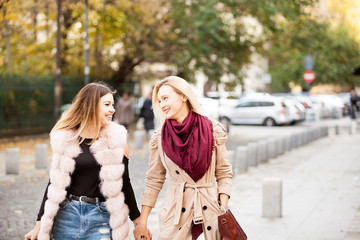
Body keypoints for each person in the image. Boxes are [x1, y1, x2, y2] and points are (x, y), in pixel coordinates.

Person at [24, 82, 150, 240]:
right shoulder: (66, 139)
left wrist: (138, 222)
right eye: (107, 104)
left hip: (102, 219)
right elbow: (54, 183)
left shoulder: (116, 142)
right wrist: (39, 224)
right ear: (91, 105)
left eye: (113, 104)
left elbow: (124, 184)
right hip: (67, 217)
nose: (112, 109)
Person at [133, 76, 233, 240]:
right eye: (159, 101)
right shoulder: (160, 137)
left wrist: (222, 205)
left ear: (184, 96)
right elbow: (154, 179)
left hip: (210, 210)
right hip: (175, 214)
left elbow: (223, 171)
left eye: (166, 98)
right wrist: (142, 221)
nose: (162, 104)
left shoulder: (212, 130)